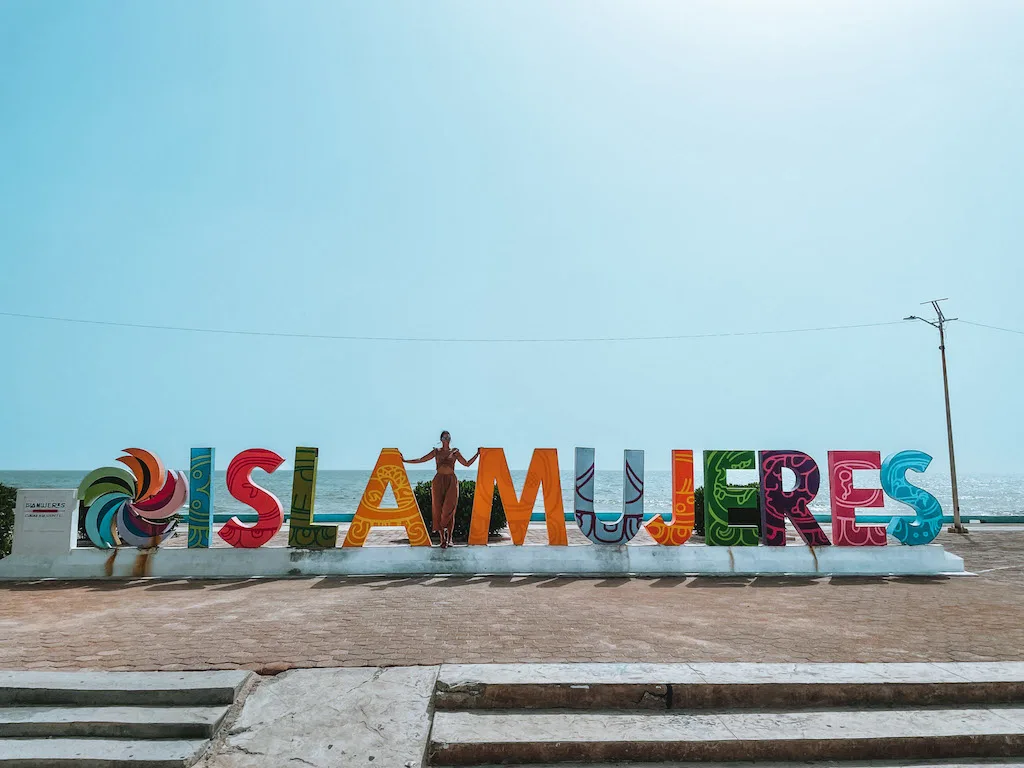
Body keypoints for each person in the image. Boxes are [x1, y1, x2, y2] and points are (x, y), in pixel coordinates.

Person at [401, 432, 480, 548]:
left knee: (449, 509)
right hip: (438, 481)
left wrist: (477, 453)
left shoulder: (455, 452)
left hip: (451, 482)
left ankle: (450, 539)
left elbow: (467, 464)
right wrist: (405, 461)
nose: (446, 439)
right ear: (441, 439)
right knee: (438, 509)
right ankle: (442, 539)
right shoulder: (436, 451)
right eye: (444, 437)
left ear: (450, 439)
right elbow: (421, 459)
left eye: (448, 437)